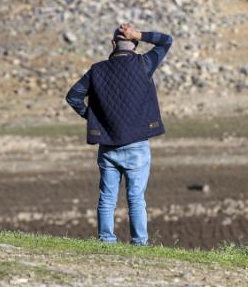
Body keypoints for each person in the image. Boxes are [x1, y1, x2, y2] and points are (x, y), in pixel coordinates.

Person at [65, 23, 173, 245]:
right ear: (135, 45)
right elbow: (167, 41)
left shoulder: (97, 70)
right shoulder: (144, 63)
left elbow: (73, 97)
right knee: (136, 199)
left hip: (108, 146)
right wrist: (140, 34)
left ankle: (106, 240)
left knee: (107, 198)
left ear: (113, 44)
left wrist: (93, 118)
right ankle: (139, 243)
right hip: (137, 146)